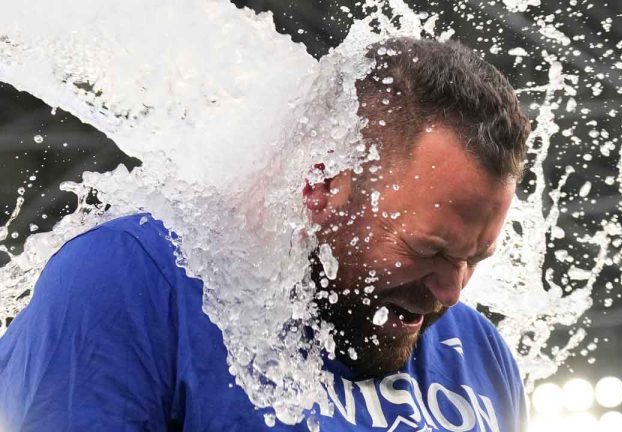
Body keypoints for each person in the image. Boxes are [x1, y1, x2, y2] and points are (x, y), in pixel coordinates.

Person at [0, 37, 530, 431]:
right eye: (428, 249)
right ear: (322, 186)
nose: (452, 290)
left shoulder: (482, 358)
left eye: (474, 258)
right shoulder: (132, 281)